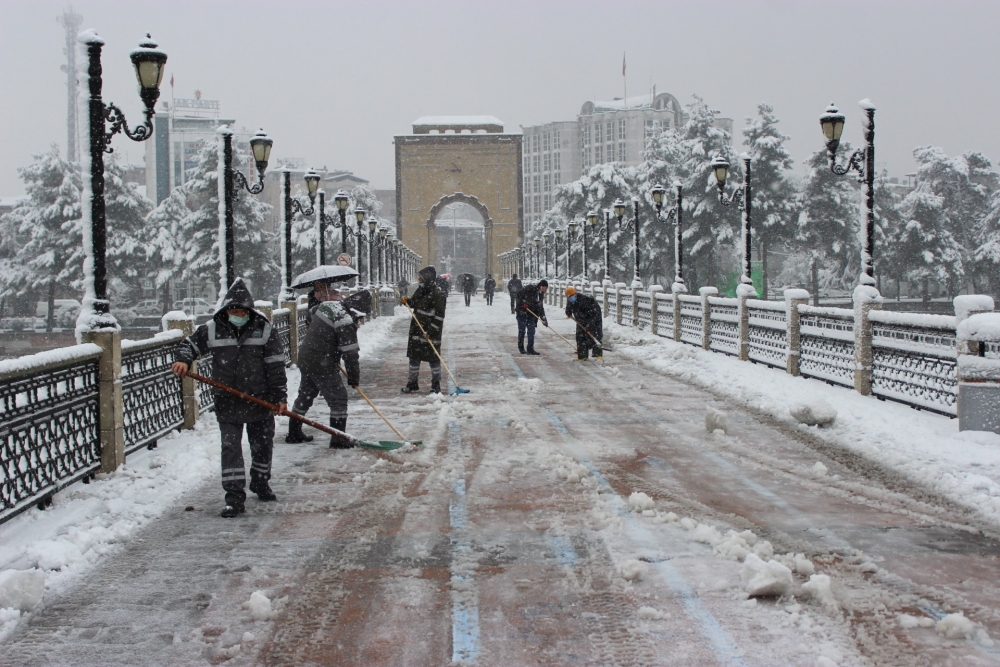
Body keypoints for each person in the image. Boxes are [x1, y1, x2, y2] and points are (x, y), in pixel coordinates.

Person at [172, 278, 287, 518]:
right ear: (226, 310)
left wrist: (279, 397)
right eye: (234, 310)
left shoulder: (264, 329)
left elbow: (276, 366)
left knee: (262, 444)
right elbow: (189, 345)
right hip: (228, 399)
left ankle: (260, 481)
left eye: (242, 310)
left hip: (260, 399)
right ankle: (234, 497)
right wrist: (183, 359)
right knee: (230, 447)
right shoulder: (212, 329)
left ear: (250, 310)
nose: (238, 314)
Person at [286, 277, 361, 448]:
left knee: (306, 394)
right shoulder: (345, 319)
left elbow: (314, 314)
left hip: (307, 357)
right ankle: (338, 438)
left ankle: (293, 432)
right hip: (321, 361)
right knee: (338, 398)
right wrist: (354, 377)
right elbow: (350, 352)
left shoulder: (329, 306)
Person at [402, 265, 447, 393]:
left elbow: (439, 316)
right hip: (417, 330)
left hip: (430, 333)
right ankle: (412, 383)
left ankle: (436, 384)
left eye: (420, 279)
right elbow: (414, 303)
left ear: (427, 279)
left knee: (433, 359)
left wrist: (430, 332)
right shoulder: (420, 291)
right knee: (414, 358)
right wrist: (407, 301)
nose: (418, 281)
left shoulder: (437, 294)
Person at [564, 286, 603, 361]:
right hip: (581, 320)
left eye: (572, 296)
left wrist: (590, 325)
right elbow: (568, 308)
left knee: (595, 334)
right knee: (580, 336)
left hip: (594, 318)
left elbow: (594, 314)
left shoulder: (585, 300)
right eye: (569, 298)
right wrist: (568, 312)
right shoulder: (570, 300)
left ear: (575, 294)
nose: (571, 298)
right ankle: (582, 356)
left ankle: (598, 354)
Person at [514, 279, 548, 355]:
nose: (545, 290)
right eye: (544, 287)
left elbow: (540, 307)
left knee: (531, 331)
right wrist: (523, 304)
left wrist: (544, 319)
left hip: (531, 315)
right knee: (522, 331)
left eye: (546, 288)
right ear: (541, 286)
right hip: (522, 313)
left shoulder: (540, 295)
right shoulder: (530, 288)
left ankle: (530, 348)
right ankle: (521, 348)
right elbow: (519, 295)